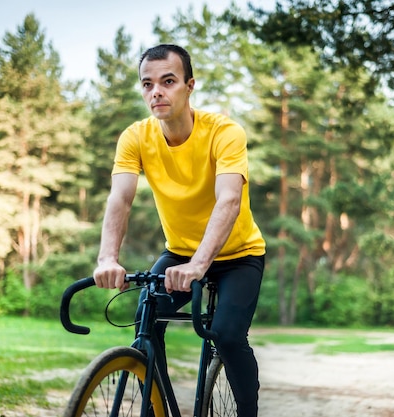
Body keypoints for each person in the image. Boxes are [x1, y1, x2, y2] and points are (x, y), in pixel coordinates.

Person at [92, 44, 265, 417]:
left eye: (168, 81)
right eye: (148, 84)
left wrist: (200, 265)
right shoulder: (135, 137)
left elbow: (229, 201)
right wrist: (108, 257)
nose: (156, 91)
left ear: (189, 86)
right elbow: (120, 199)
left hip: (238, 256)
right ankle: (159, 408)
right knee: (144, 320)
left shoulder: (224, 132)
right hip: (180, 252)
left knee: (226, 335)